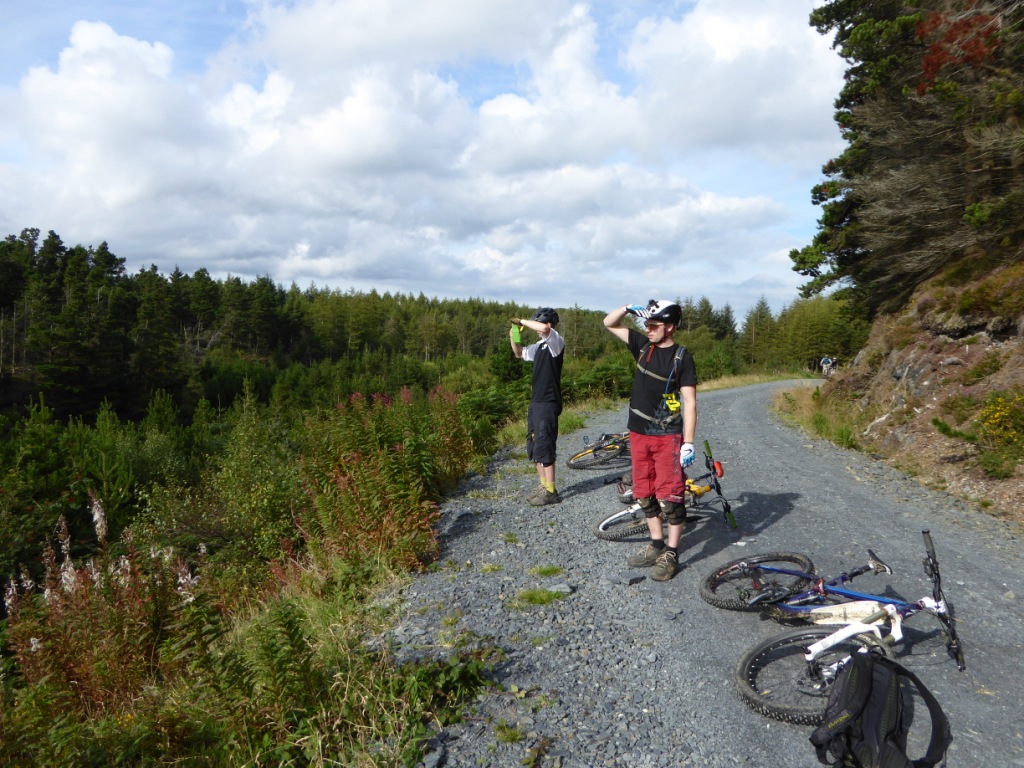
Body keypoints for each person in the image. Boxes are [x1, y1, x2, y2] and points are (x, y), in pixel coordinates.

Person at [603, 299, 697, 581]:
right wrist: (629, 308)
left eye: (654, 325)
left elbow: (689, 401)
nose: (648, 328)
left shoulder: (682, 356)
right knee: (644, 493)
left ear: (670, 327)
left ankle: (671, 551)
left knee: (670, 497)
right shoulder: (642, 346)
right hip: (638, 432)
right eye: (647, 324)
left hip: (667, 435)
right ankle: (656, 544)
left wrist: (688, 442)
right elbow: (609, 322)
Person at [510, 308, 565, 506]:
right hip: (536, 402)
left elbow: (542, 328)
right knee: (534, 444)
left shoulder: (555, 343)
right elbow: (518, 353)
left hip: (549, 402)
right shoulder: (539, 346)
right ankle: (543, 485)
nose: (535, 328)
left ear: (548, 324)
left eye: (537, 323)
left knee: (545, 443)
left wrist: (522, 320)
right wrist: (513, 334)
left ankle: (551, 490)